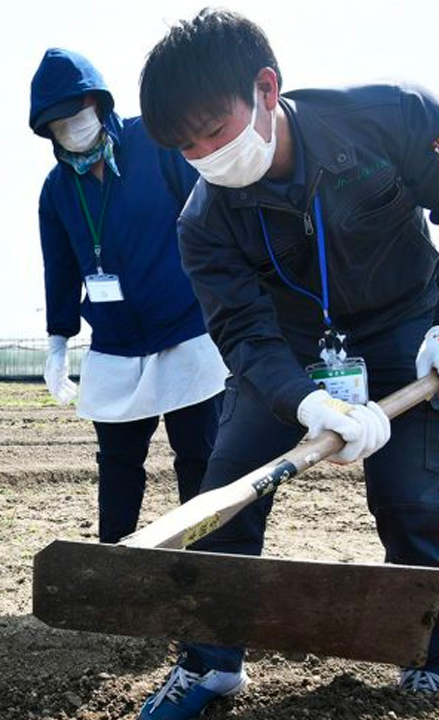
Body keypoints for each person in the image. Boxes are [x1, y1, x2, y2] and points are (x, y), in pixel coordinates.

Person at [135, 8, 439, 717]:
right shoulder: (203, 221)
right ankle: (212, 664)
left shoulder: (389, 116)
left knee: (413, 499)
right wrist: (306, 403)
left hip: (409, 325)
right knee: (228, 487)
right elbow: (243, 332)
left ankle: (430, 657)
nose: (205, 155)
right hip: (294, 348)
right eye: (186, 147)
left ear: (267, 89)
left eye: (213, 130)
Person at [28, 49, 226, 545]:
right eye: (56, 123)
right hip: (115, 343)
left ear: (98, 102)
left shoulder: (155, 144)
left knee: (198, 455)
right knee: (117, 460)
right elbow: (60, 267)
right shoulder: (57, 189)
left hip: (187, 331)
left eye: (75, 114)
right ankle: (114, 555)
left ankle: (203, 558)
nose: (69, 128)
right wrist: (58, 339)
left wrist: (229, 302)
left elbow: (209, 218)